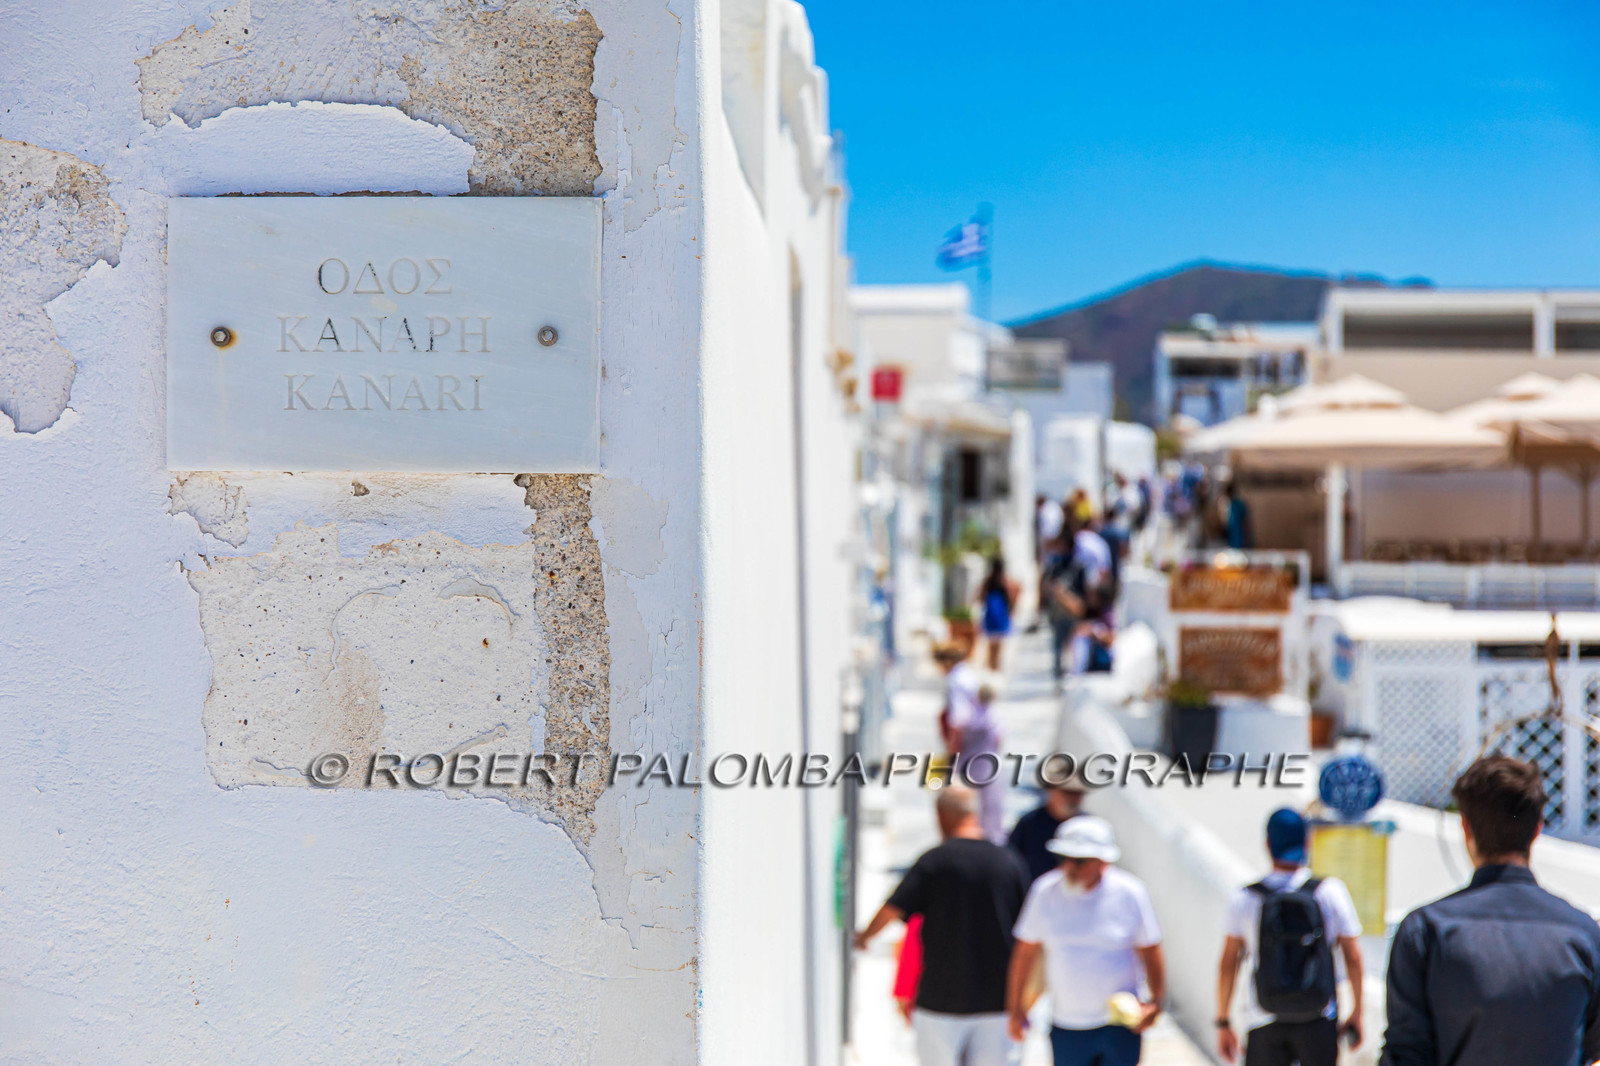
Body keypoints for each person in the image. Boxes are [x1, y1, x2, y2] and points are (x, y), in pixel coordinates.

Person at [1380, 756, 1600, 1066]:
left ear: (1466, 828)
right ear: (1537, 829)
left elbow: (1407, 1054)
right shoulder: (1583, 934)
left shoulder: (1425, 931)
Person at [857, 786, 1031, 1066]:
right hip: (997, 1003)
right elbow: (1030, 932)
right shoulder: (1008, 862)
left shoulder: (934, 861)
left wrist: (863, 938)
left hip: (939, 1000)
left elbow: (893, 908)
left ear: (940, 816)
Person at [1007, 817, 1166, 1066]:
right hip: (1067, 1024)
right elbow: (1025, 952)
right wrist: (1016, 1009)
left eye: (1079, 861)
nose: (1069, 867)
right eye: (1063, 858)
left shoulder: (1130, 892)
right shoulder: (1044, 891)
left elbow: (1151, 948)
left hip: (1118, 1026)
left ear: (1103, 862)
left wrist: (1156, 1002)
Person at [1215, 808, 1364, 1066]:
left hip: (1262, 1016)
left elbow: (1229, 963)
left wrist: (1223, 1021)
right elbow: (1353, 956)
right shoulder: (1330, 892)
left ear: (1268, 845)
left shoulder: (1246, 898)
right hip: (1318, 1015)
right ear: (1306, 843)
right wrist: (1357, 1012)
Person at [1008, 779, 1088, 883]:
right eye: (1068, 792)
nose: (1073, 799)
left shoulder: (1089, 827)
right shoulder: (1029, 823)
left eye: (1078, 794)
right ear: (1051, 790)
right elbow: (1011, 859)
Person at [932, 642, 979, 756]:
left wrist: (952, 748)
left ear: (947, 662)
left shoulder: (955, 680)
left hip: (963, 732)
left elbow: (958, 717)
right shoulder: (967, 672)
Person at [976, 556, 1020, 672]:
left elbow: (980, 597)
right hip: (1001, 616)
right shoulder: (1005, 581)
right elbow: (1013, 597)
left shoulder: (988, 581)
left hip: (990, 616)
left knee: (991, 645)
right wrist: (1011, 611)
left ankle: (991, 668)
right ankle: (996, 668)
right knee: (999, 646)